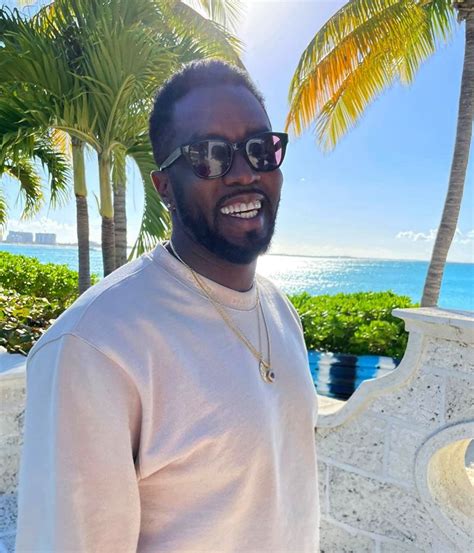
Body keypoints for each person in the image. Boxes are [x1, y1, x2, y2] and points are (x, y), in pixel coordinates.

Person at [15, 60, 320, 553]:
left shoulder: (280, 312)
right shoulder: (95, 347)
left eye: (260, 149)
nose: (245, 172)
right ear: (164, 188)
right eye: (209, 156)